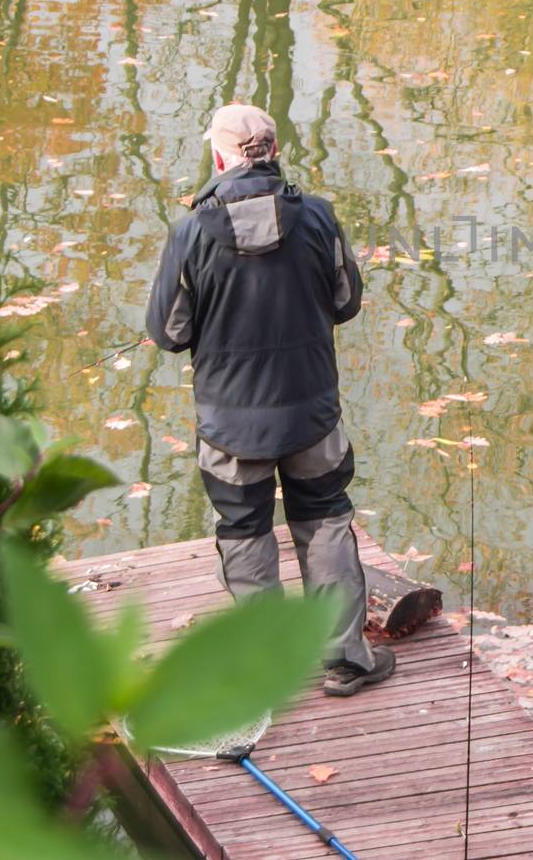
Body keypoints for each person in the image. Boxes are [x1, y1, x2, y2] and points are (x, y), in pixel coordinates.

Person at [145, 102, 395, 696]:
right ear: (275, 152)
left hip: (231, 423)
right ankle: (346, 661)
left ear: (218, 157)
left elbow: (170, 334)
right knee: (325, 518)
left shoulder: (190, 232)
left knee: (244, 530)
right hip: (311, 413)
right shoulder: (319, 218)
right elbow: (346, 302)